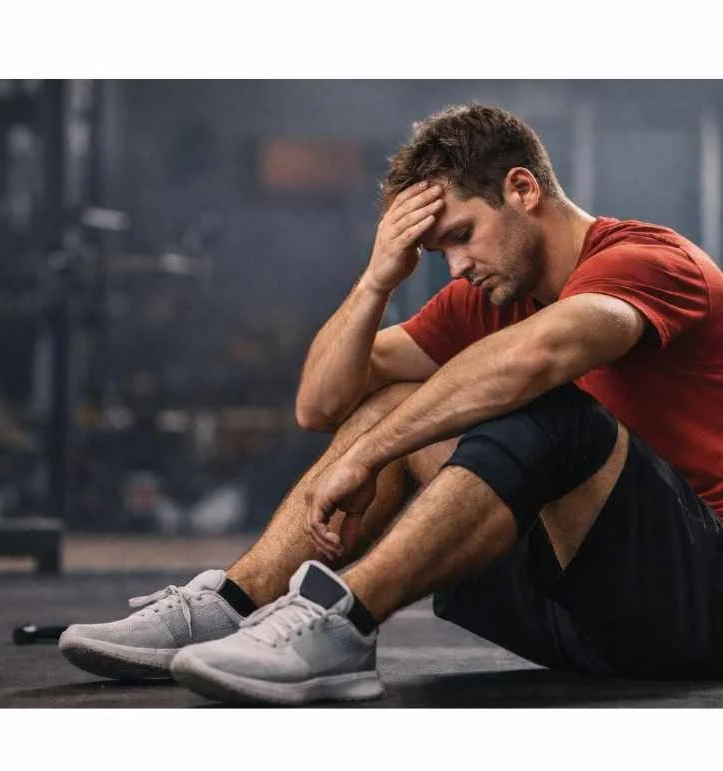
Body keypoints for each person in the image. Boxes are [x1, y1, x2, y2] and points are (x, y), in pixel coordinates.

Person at [59, 104, 723, 705]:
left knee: (549, 409)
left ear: (522, 190)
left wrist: (374, 456)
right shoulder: (486, 296)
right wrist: (378, 277)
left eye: (463, 235)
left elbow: (540, 357)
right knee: (399, 401)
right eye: (438, 251)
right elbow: (322, 403)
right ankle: (234, 602)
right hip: (580, 616)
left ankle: (340, 623)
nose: (456, 266)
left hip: (696, 601)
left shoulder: (650, 261)